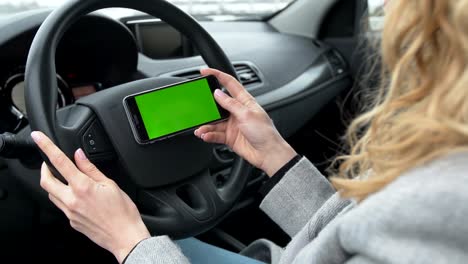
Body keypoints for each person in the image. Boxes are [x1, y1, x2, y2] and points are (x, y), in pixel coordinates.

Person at [31, 0, 468, 263]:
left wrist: (128, 240)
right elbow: (359, 233)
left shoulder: (441, 205)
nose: (389, 14)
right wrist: (276, 155)